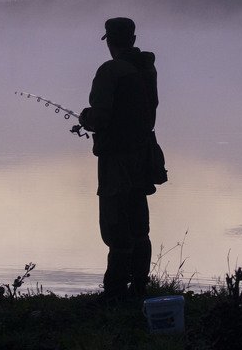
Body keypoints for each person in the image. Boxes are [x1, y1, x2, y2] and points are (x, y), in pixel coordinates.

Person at [79, 17, 159, 301]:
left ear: (110, 41)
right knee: (139, 222)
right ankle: (140, 287)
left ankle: (114, 292)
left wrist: (85, 118)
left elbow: (99, 117)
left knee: (115, 224)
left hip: (116, 158)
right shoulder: (147, 69)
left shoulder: (110, 71)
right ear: (133, 40)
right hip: (144, 154)